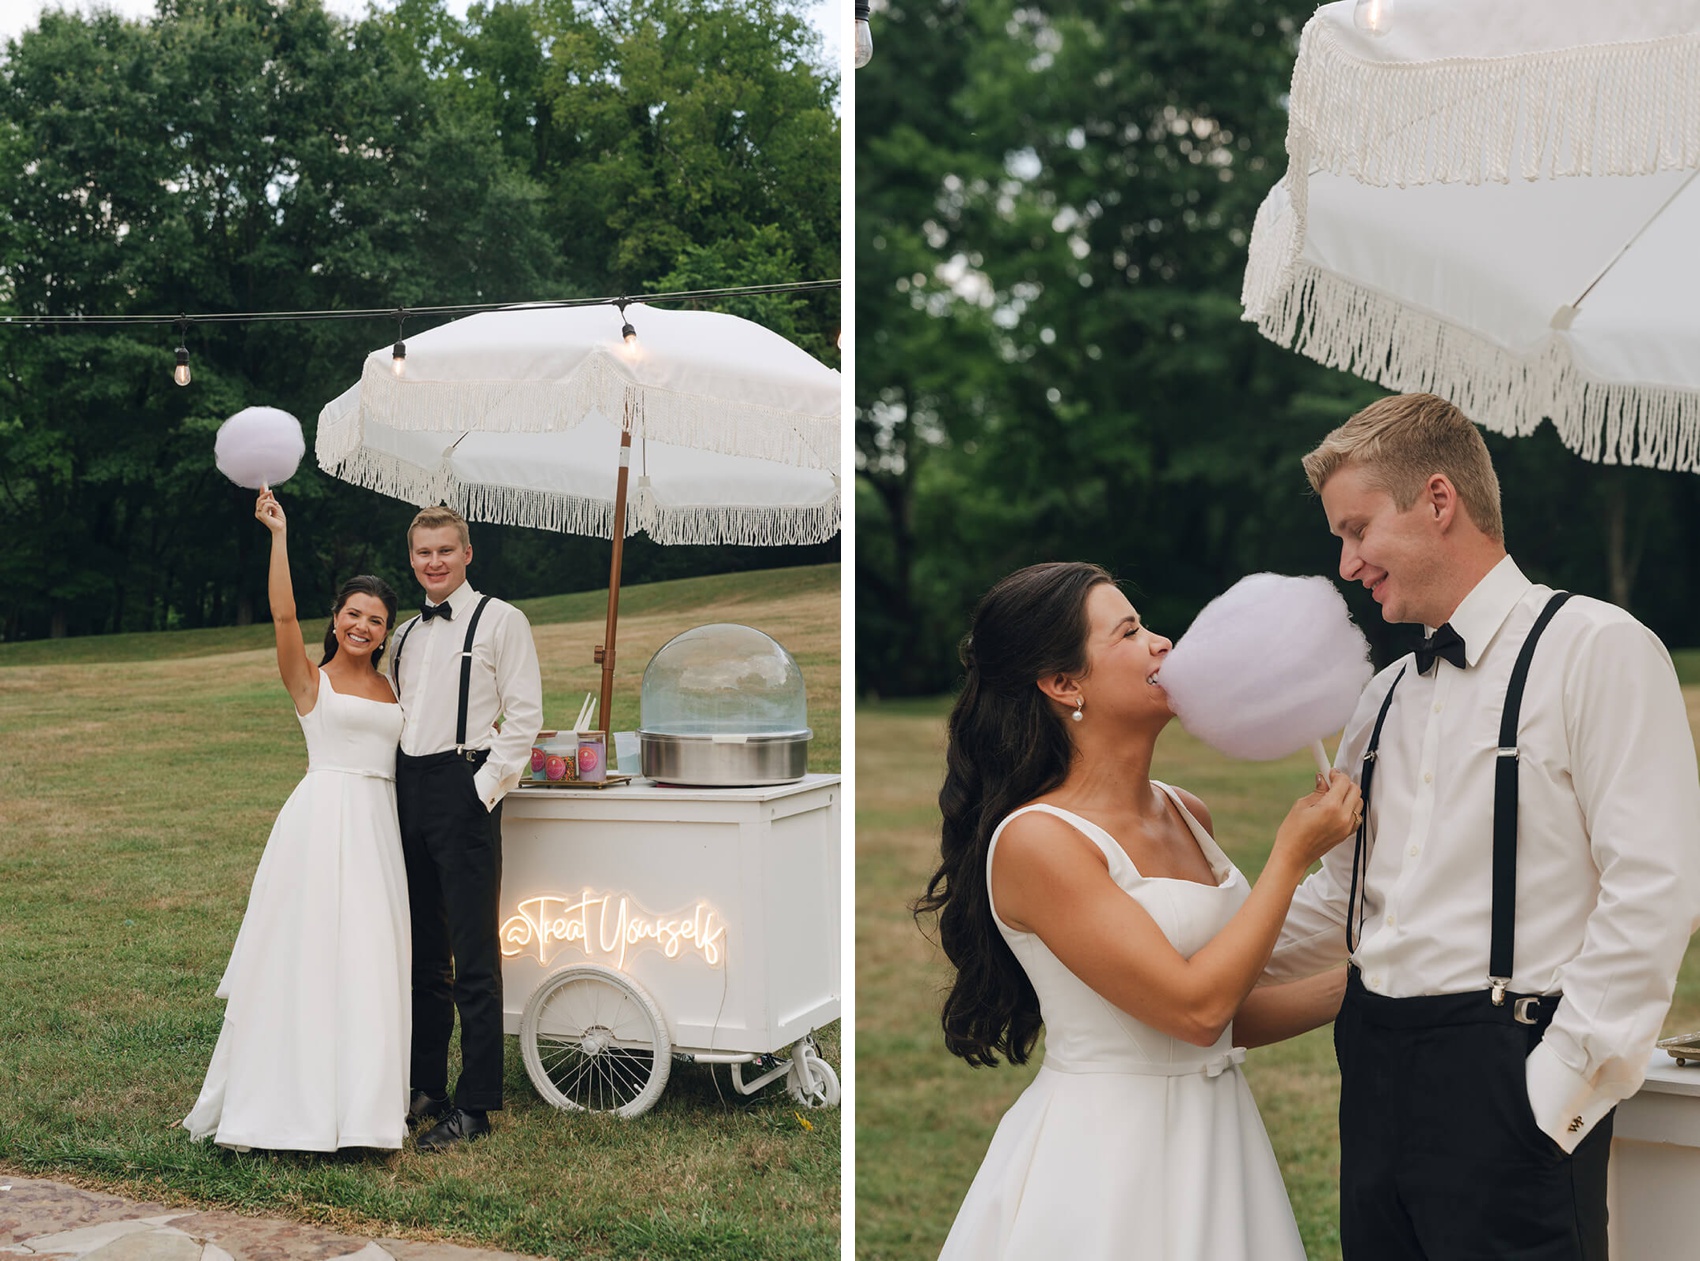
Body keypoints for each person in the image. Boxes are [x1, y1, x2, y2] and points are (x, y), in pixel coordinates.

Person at [1263, 392, 1700, 1260]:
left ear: (1437, 500)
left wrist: (1554, 1094)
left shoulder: (1598, 648)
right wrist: (1193, 952)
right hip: (1375, 1078)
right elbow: (1344, 900)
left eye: (1356, 531)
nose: (1346, 565)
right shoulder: (1382, 698)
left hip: (1513, 1088)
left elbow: (1656, 887)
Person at [917, 560, 1362, 1259]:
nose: (1163, 643)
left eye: (1148, 625)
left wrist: (1371, 980)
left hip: (1219, 1139)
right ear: (1064, 684)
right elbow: (1195, 1009)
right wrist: (1290, 853)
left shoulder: (1188, 812)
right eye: (1130, 632)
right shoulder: (1038, 842)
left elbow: (1222, 1020)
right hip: (1105, 1162)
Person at [184, 490, 410, 1152]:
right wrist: (279, 536)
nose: (363, 624)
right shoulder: (311, 680)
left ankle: (364, 1114)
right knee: (308, 959)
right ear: (336, 619)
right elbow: (282, 614)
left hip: (378, 830)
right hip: (319, 825)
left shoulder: (397, 686)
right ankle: (287, 1107)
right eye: (353, 613)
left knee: (370, 962)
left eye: (376, 617)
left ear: (387, 629)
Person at [389, 505, 542, 1151]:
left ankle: (476, 1105)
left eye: (445, 550)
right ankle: (427, 1085)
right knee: (424, 953)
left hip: (465, 785)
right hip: (407, 790)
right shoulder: (401, 634)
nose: (434, 562)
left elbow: (525, 715)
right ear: (413, 557)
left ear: (467, 553)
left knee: (474, 955)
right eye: (424, 552)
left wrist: (480, 789)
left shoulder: (501, 619)